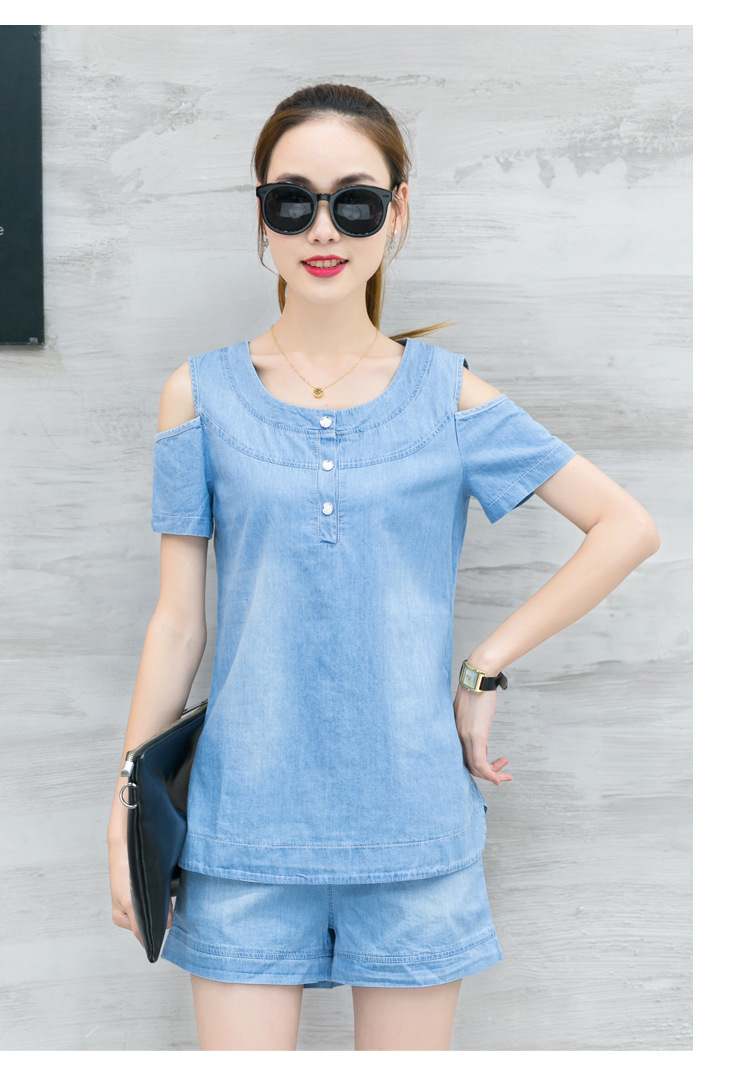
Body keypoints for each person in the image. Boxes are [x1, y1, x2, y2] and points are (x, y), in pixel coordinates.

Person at [107, 82, 660, 1051]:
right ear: (261, 215)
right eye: (293, 200)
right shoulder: (198, 394)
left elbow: (624, 526)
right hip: (242, 832)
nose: (324, 228)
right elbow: (179, 622)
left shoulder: (450, 395)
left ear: (398, 210)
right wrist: (124, 808)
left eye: (355, 202)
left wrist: (484, 666)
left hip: (414, 830)